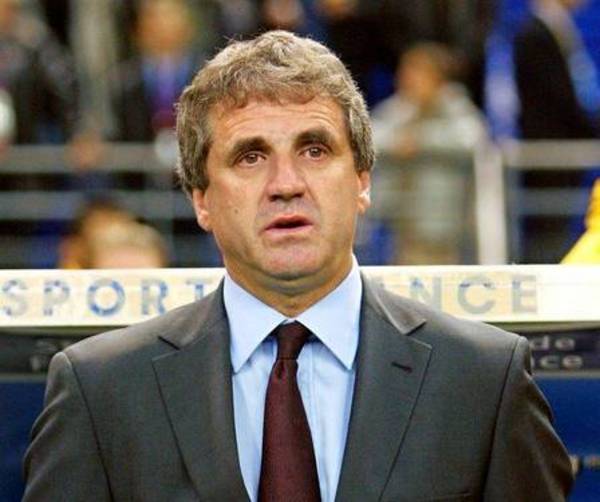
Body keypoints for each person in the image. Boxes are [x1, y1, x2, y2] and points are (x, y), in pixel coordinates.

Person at [23, 30, 573, 501]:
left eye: (314, 150)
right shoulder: (100, 391)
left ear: (362, 180)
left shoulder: (483, 380)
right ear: (201, 199)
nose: (286, 184)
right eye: (250, 156)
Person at [370, 42, 487, 264]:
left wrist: (421, 141)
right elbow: (369, 136)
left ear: (436, 78)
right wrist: (397, 142)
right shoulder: (400, 107)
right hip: (400, 223)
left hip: (441, 224)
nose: (407, 79)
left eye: (416, 72)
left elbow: (472, 138)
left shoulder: (455, 105)